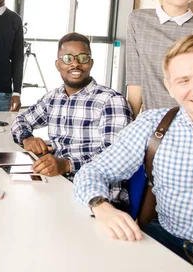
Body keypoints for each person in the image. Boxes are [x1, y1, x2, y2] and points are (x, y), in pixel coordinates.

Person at [74, 34, 193, 271]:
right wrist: (102, 206)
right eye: (184, 80)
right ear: (169, 87)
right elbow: (93, 172)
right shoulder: (152, 125)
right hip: (164, 242)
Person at [11, 33, 132, 201]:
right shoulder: (54, 98)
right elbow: (20, 120)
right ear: (58, 64)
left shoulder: (111, 101)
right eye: (68, 58)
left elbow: (116, 158)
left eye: (82, 58)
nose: (75, 63)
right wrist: (27, 138)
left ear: (91, 63)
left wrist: (67, 164)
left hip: (99, 196)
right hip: (57, 184)